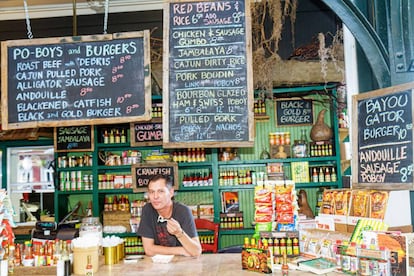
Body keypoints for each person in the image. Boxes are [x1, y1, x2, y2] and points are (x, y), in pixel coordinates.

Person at [137, 175, 202, 257]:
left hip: (183, 265)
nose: (155, 197)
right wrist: (181, 250)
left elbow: (196, 251)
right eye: (151, 192)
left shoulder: (183, 211)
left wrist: (179, 233)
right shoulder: (148, 210)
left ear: (171, 192)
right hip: (158, 266)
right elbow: (149, 250)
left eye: (161, 191)